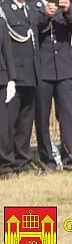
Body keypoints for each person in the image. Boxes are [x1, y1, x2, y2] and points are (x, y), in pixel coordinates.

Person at [34, 0, 72, 170]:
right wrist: (44, 16)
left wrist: (68, 11)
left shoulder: (63, 4)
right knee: (42, 117)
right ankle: (48, 160)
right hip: (42, 69)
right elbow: (31, 29)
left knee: (68, 116)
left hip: (64, 69)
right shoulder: (32, 5)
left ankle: (70, 158)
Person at [0, 0, 46, 174]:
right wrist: (9, 76)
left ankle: (22, 162)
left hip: (31, 74)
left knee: (25, 123)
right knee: (7, 124)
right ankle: (6, 165)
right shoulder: (4, 9)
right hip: (13, 75)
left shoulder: (30, 9)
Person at [0, 15, 16, 179]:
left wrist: (12, 79)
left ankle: (5, 167)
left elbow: (7, 51)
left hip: (1, 80)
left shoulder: (1, 22)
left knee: (2, 127)